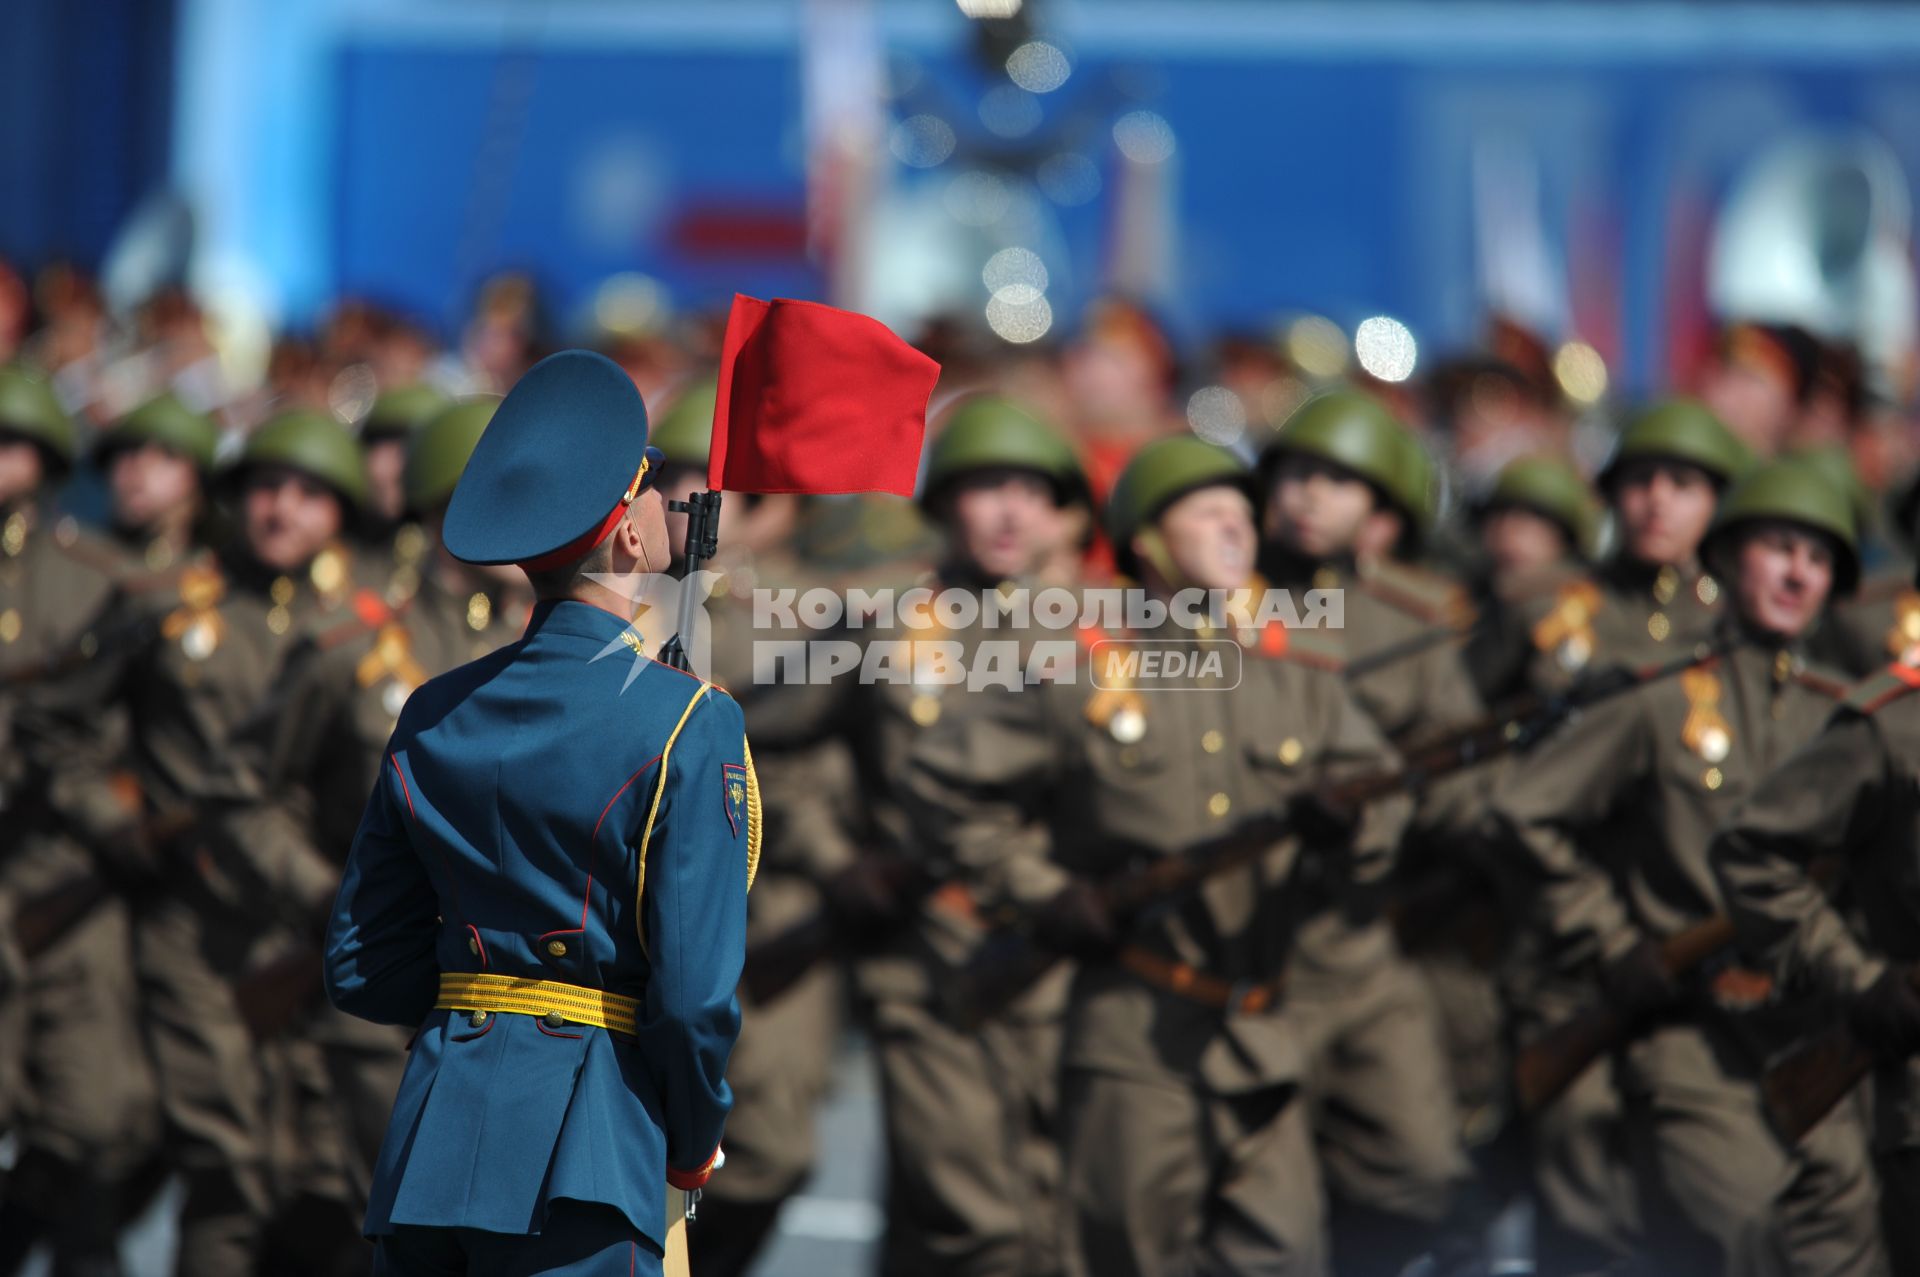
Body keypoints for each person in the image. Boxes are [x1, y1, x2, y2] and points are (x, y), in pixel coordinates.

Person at [907, 436, 1411, 1276]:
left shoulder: (1297, 671)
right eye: (1208, 512)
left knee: (1282, 1254)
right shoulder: (1077, 664)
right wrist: (1044, 892)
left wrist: (1351, 827)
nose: (1237, 529)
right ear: (1147, 541)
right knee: (1130, 1256)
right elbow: (945, 786)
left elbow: (1384, 793)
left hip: (1262, 1031)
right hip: (1134, 1039)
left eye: (1244, 513)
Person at [323, 349, 755, 1274]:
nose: (668, 505)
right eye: (650, 490)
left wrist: (487, 1026)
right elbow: (690, 998)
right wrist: (691, 1137)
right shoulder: (690, 719)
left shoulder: (433, 709)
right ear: (629, 539)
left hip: (433, 1140)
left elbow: (362, 964)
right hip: (594, 1154)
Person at [1486, 460, 1884, 1275]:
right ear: (1730, 557)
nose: (1797, 572)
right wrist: (1610, 938)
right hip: (1692, 1035)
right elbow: (1524, 810)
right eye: (1778, 547)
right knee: (1742, 1237)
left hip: (1818, 1025)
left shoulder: (1854, 713)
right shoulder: (1660, 693)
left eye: (1818, 559)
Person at [18, 407, 370, 1276]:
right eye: (263, 489)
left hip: (318, 928)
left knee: (320, 1178)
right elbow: (56, 726)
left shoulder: (364, 628)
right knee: (224, 1169)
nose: (280, 511)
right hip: (195, 923)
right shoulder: (166, 602)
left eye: (308, 494)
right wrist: (113, 823)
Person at [215, 396, 530, 1273]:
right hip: (391, 1006)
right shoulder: (356, 639)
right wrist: (327, 893)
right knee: (398, 1234)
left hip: (530, 1010)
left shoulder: (562, 642)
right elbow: (240, 788)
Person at [845, 394, 1090, 1277]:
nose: (1009, 510)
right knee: (979, 1223)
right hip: (926, 962)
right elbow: (767, 737)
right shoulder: (886, 618)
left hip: (1061, 956)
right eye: (985, 487)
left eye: (1029, 488)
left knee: (1055, 1219)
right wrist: (836, 857)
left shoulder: (1101, 631)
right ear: (947, 501)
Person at [1255, 388, 1478, 1269]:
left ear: (1380, 510)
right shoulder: (1220, 601)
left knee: (1420, 1171)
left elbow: (1454, 762)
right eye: (1298, 476)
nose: (1310, 497)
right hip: (1249, 938)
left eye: (1339, 483)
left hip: (1361, 941)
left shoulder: (1416, 622)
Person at [1521, 399, 1751, 690]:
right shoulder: (1549, 601)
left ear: (1716, 504)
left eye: (1682, 484)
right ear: (1614, 495)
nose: (1657, 501)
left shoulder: (1731, 620)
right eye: (1640, 480)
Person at [1461, 455, 1601, 707]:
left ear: (1563, 538)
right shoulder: (1475, 596)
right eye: (1499, 516)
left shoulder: (1568, 608)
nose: (1508, 531)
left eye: (1530, 519)